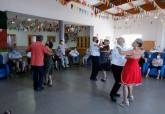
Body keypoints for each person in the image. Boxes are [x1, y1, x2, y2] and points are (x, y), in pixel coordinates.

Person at [119, 39, 144, 106]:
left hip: (129, 68)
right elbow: (135, 57)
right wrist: (128, 57)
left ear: (137, 44)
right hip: (136, 68)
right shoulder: (141, 50)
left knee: (125, 85)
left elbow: (121, 53)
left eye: (134, 42)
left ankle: (125, 101)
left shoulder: (132, 51)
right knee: (130, 83)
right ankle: (130, 96)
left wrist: (119, 46)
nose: (132, 42)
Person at [110, 37, 126, 102]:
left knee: (119, 81)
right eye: (121, 41)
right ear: (119, 42)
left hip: (120, 66)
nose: (122, 42)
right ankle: (112, 94)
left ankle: (115, 92)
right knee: (118, 81)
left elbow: (123, 55)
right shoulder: (116, 48)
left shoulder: (122, 48)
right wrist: (126, 55)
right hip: (116, 66)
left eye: (122, 40)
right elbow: (121, 56)